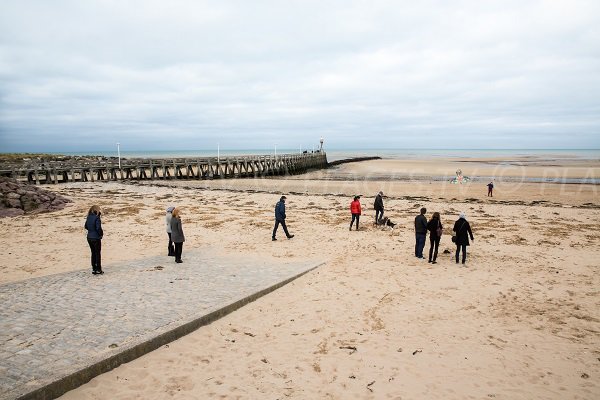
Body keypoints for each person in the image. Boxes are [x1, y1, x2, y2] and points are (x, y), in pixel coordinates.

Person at [84, 205, 104, 275]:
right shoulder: (97, 218)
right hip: (96, 238)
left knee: (93, 253)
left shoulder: (88, 217)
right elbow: (98, 228)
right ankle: (98, 269)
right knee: (97, 253)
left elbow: (86, 226)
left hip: (89, 237)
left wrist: (91, 230)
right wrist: (101, 234)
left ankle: (94, 269)